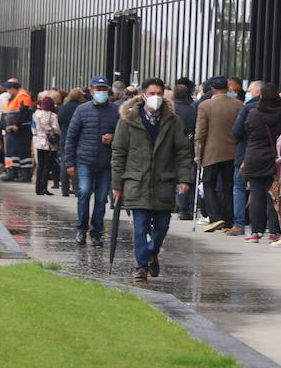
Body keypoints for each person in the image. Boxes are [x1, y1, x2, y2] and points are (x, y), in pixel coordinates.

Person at [111, 79, 196, 284]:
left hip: (163, 182)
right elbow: (119, 152)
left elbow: (184, 152)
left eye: (159, 93)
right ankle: (141, 266)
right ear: (143, 95)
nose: (156, 97)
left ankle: (151, 252)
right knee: (140, 228)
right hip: (136, 181)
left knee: (161, 226)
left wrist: (185, 178)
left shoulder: (173, 121)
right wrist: (117, 185)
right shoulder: (128, 120)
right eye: (152, 93)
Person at [62, 77, 120, 246]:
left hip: (106, 162)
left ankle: (96, 231)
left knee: (101, 198)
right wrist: (69, 162)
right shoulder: (82, 110)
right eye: (98, 89)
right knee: (85, 192)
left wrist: (113, 138)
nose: (101, 92)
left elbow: (124, 138)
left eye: (104, 89)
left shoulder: (115, 111)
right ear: (91, 90)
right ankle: (81, 229)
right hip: (85, 160)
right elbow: (71, 137)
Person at [239, 83, 281, 242]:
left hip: (255, 156)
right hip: (275, 157)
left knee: (256, 194)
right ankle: (274, 232)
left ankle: (256, 231)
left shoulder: (253, 113)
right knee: (273, 196)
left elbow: (246, 130)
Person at [196, 76, 242, 232]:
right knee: (228, 186)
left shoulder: (205, 105)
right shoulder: (238, 105)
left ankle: (215, 217)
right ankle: (228, 220)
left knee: (209, 184)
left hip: (211, 152)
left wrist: (198, 153)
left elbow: (201, 133)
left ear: (213, 89)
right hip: (232, 151)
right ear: (227, 88)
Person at [228, 80, 263, 236]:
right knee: (261, 190)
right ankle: (263, 227)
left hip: (245, 153)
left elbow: (237, 131)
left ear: (257, 92)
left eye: (249, 90)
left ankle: (239, 223)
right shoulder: (277, 108)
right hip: (267, 155)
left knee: (239, 187)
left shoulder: (247, 108)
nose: (246, 92)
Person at [171, 82, 199, 218]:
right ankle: (184, 209)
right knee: (186, 176)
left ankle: (172, 204)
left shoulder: (169, 110)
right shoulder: (193, 110)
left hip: (170, 146)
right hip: (188, 145)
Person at [32, 95, 61, 196]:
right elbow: (56, 129)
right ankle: (44, 187)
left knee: (40, 166)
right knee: (47, 167)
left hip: (39, 143)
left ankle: (38, 187)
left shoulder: (37, 114)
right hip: (50, 145)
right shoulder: (52, 116)